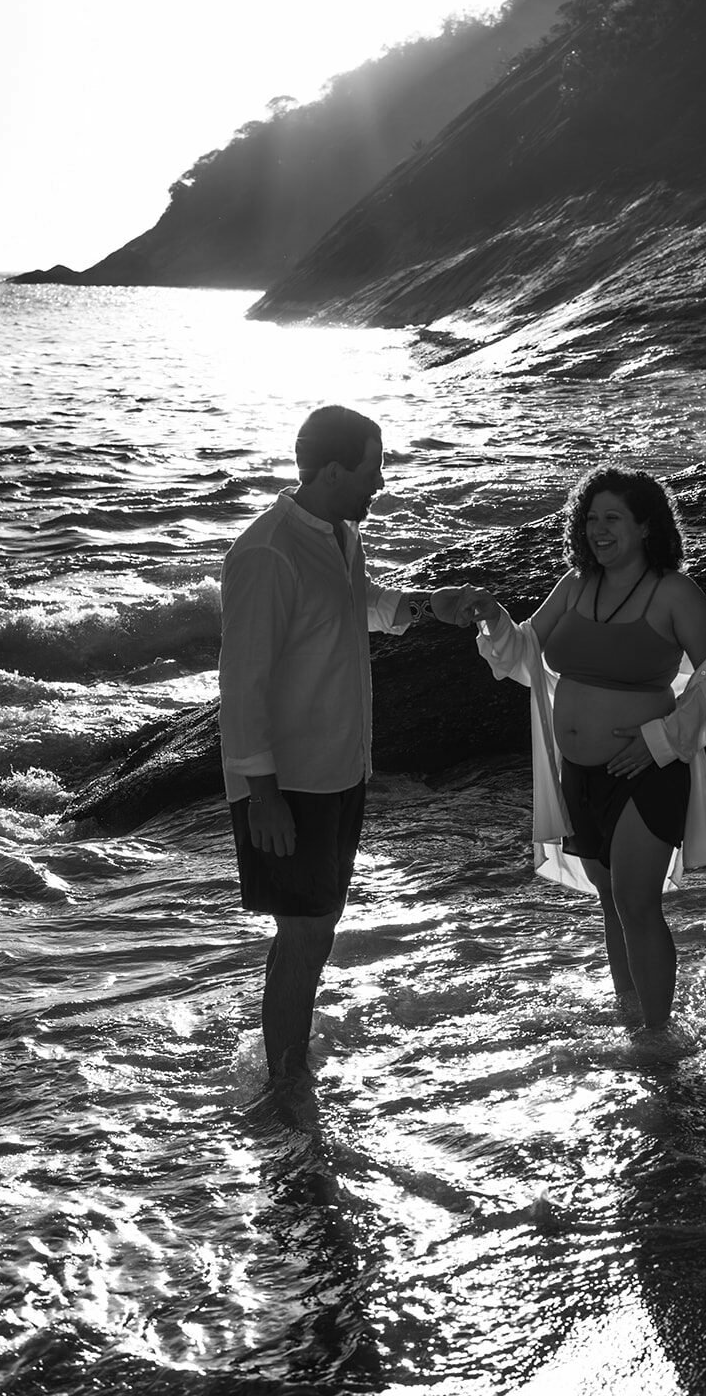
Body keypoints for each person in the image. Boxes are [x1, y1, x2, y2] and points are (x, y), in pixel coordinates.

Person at [456, 465, 706, 1031]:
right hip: (577, 774)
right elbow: (525, 652)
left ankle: (658, 1039)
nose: (598, 530)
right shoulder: (575, 584)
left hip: (646, 773)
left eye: (613, 518)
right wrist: (493, 618)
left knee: (637, 903)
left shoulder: (674, 593)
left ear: (646, 526)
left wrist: (658, 742)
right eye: (590, 519)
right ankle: (635, 1024)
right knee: (610, 901)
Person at [218, 403, 445, 1082]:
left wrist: (427, 604)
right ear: (335, 470)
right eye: (373, 469)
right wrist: (263, 797)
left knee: (312, 927)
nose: (381, 483)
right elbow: (243, 686)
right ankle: (286, 1083)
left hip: (341, 770)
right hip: (288, 785)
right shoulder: (265, 552)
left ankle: (286, 1066)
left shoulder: (343, 536)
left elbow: (356, 601)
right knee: (306, 929)